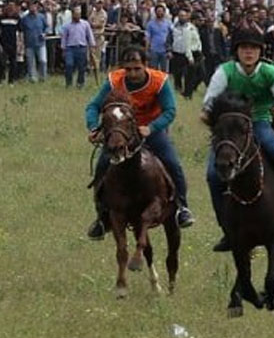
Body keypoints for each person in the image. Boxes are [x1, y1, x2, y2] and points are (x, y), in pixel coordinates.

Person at [200, 30, 274, 252]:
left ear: (260, 52)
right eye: (244, 48)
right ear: (236, 51)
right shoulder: (224, 72)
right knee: (211, 174)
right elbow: (209, 101)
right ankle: (226, 228)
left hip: (260, 122)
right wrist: (208, 114)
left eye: (253, 48)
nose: (248, 52)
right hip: (232, 127)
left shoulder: (271, 72)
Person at [83, 47, 195, 239]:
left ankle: (181, 208)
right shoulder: (114, 81)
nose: (132, 73)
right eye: (128, 69)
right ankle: (102, 217)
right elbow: (93, 106)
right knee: (102, 166)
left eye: (137, 68)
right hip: (120, 131)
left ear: (145, 66)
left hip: (149, 130)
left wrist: (151, 128)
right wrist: (94, 127)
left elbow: (170, 110)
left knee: (172, 163)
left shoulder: (160, 81)